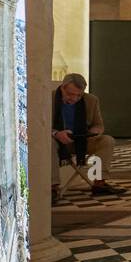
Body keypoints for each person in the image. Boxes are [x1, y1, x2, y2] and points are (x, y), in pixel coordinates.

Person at [51, 73, 122, 202]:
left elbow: (98, 125)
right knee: (49, 142)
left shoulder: (91, 100)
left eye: (79, 95)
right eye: (71, 94)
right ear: (62, 88)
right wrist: (56, 133)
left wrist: (94, 132)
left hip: (82, 140)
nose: (75, 98)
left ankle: (99, 182)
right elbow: (39, 126)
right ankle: (53, 187)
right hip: (57, 140)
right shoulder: (49, 99)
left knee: (107, 141)